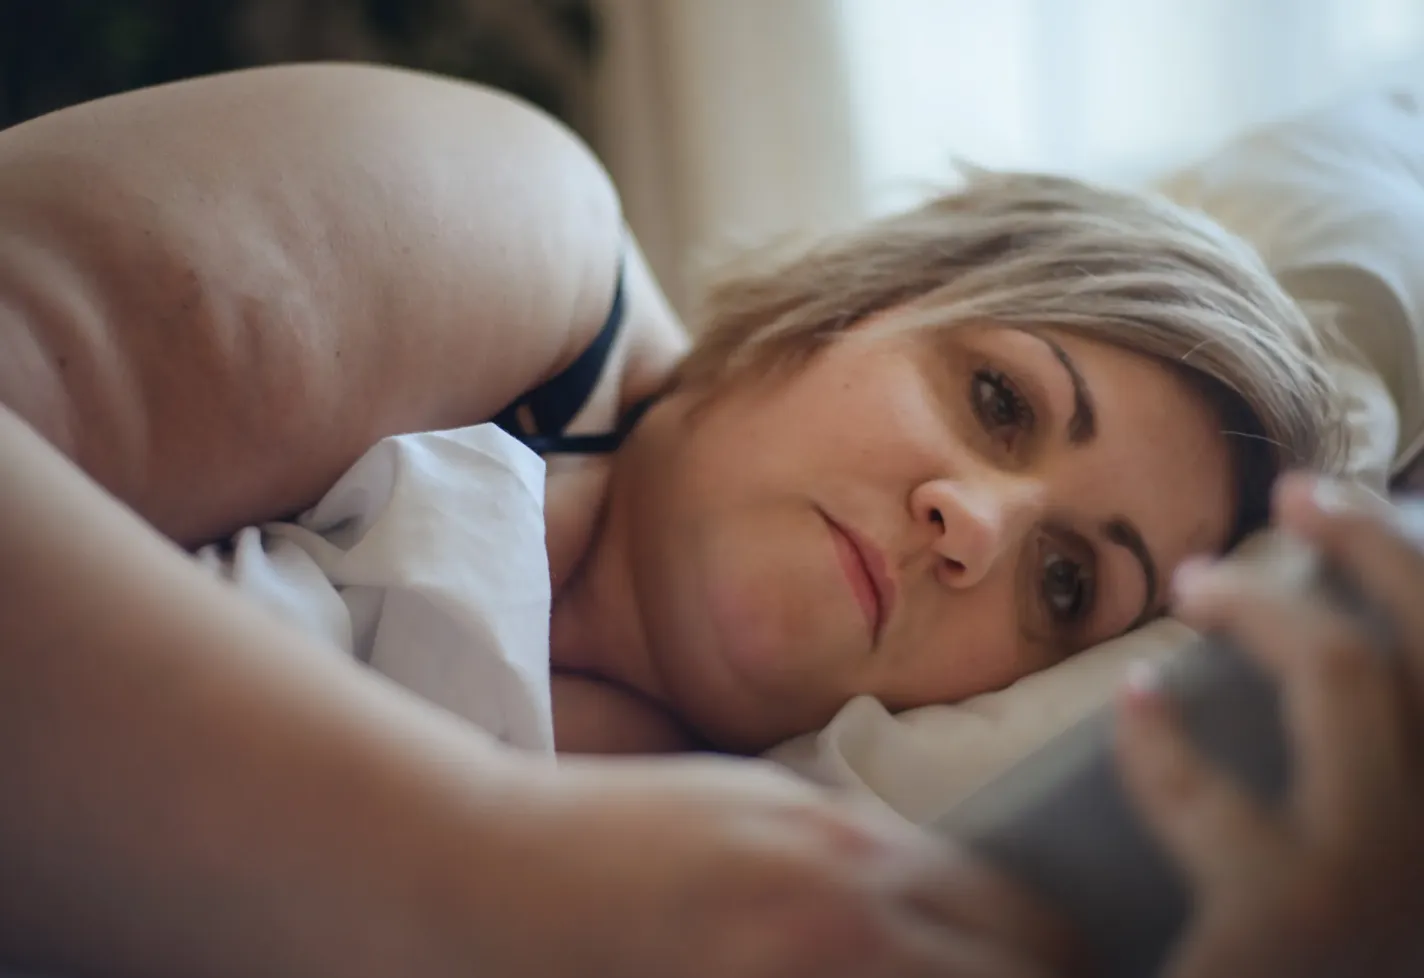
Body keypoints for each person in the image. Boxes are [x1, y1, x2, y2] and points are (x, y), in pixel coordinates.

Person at [0, 61, 1417, 977]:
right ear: (878, 293)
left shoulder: (808, 899)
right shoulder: (519, 243)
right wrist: (485, 864)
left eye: (1061, 587)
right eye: (995, 398)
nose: (973, 525)